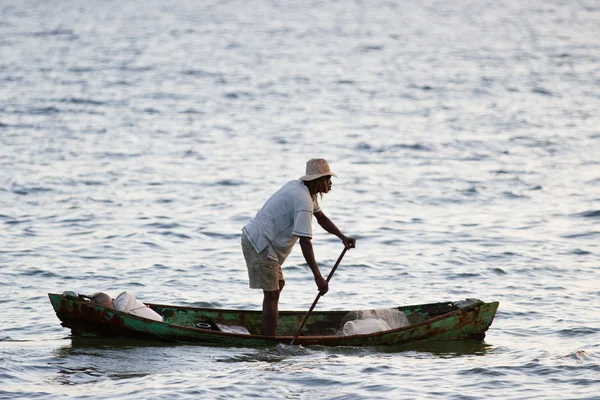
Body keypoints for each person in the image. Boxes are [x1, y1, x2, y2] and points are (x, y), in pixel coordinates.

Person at [241, 158, 356, 336]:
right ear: (318, 180)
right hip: (261, 244)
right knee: (271, 295)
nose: (330, 183)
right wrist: (318, 277)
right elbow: (305, 242)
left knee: (277, 286)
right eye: (328, 179)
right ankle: (268, 343)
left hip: (258, 240)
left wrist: (342, 237)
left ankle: (267, 334)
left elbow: (322, 218)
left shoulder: (302, 190)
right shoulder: (303, 201)